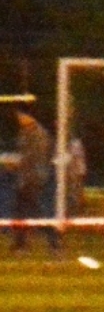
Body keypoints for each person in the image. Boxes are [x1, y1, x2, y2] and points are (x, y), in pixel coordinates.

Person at [9, 105, 59, 251]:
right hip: (25, 177)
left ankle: (53, 239)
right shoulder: (25, 132)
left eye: (20, 116)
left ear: (28, 116)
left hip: (33, 178)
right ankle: (21, 242)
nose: (19, 119)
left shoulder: (39, 134)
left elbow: (38, 158)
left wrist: (31, 176)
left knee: (35, 211)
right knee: (21, 210)